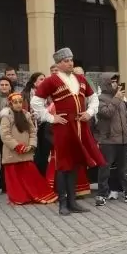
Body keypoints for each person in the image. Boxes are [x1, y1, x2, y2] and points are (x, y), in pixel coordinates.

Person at [32, 49, 104, 214]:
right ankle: (63, 203)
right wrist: (51, 118)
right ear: (58, 64)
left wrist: (89, 112)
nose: (70, 63)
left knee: (76, 164)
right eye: (66, 61)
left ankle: (73, 202)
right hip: (63, 127)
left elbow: (93, 98)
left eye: (71, 60)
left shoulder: (80, 79)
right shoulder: (51, 81)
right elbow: (36, 102)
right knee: (63, 164)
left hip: (80, 126)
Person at [0, 93, 56, 205]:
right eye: (15, 102)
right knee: (14, 178)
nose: (18, 105)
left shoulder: (26, 115)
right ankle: (19, 197)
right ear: (10, 104)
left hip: (26, 151)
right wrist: (17, 146)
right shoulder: (6, 116)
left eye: (20, 102)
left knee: (30, 176)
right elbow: (5, 135)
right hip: (12, 153)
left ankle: (32, 194)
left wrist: (31, 145)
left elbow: (33, 132)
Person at [94, 77, 127, 204]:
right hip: (108, 140)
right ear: (106, 84)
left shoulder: (120, 98)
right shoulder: (100, 99)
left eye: (116, 81)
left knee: (124, 169)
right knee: (105, 168)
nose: (115, 84)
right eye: (112, 82)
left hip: (122, 140)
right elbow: (106, 113)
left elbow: (126, 118)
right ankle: (101, 195)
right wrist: (116, 99)